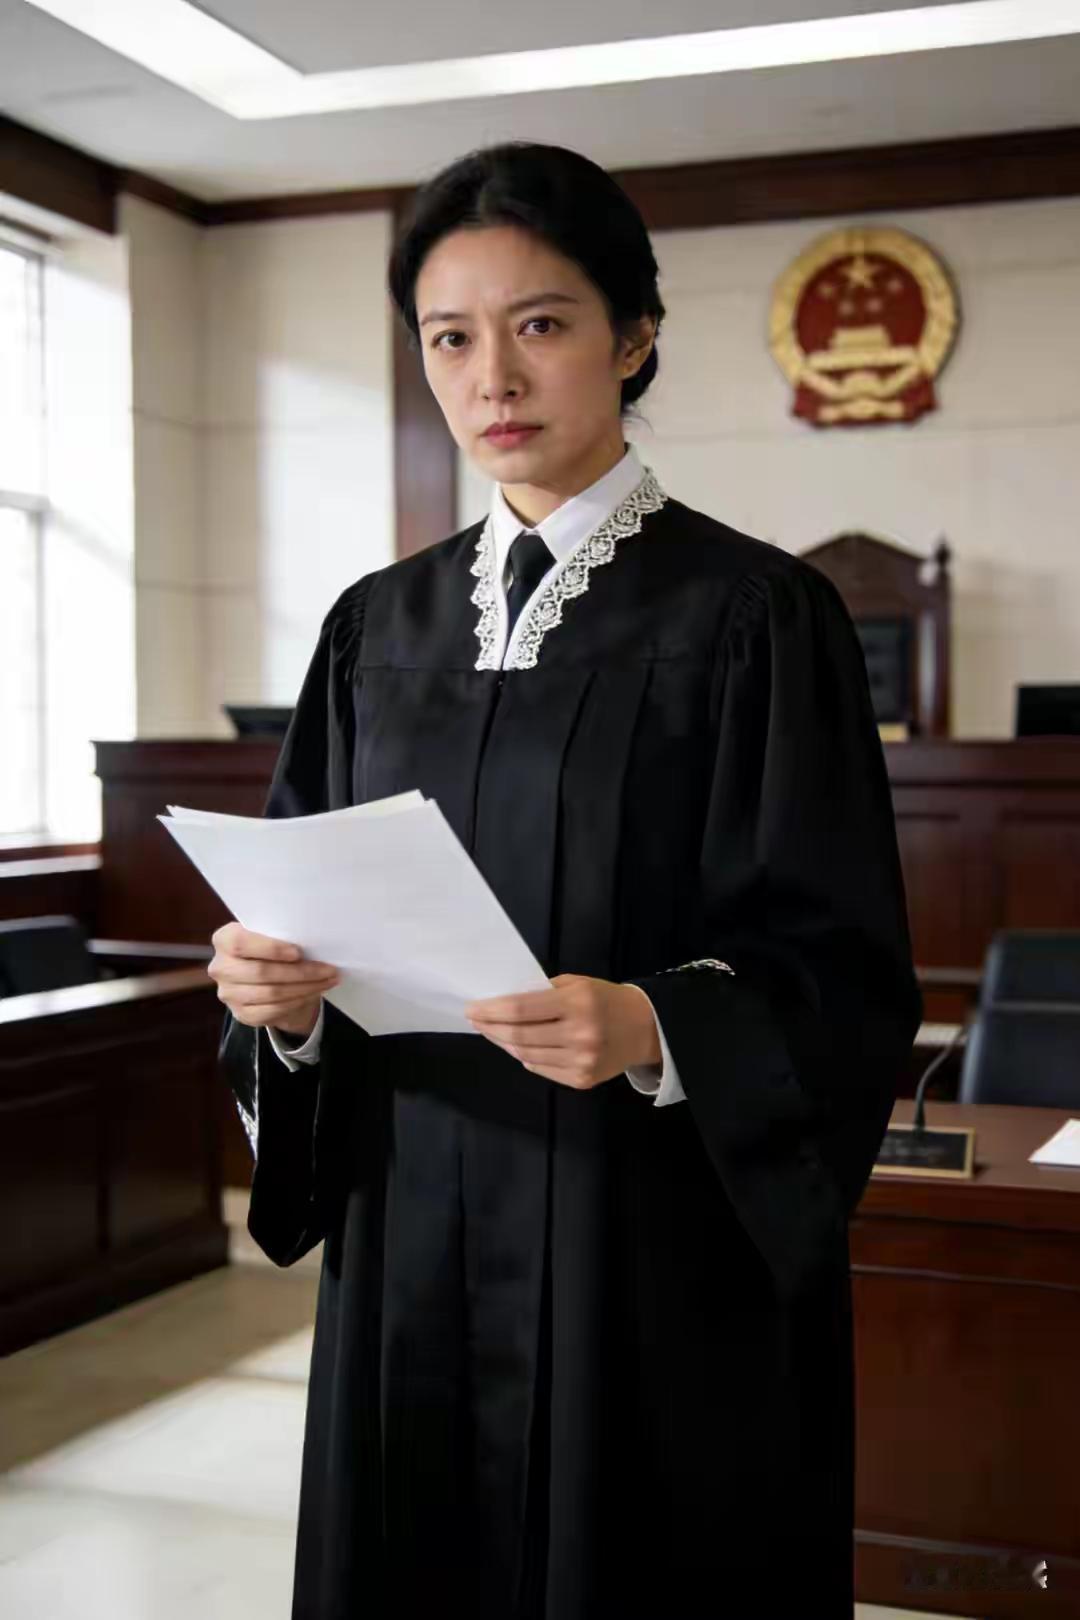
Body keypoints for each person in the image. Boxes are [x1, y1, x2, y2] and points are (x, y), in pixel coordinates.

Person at [211, 140, 922, 1620]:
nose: (493, 379)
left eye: (540, 324)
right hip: (411, 1229)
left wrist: (658, 1025)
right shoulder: (374, 633)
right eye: (449, 339)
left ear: (634, 335)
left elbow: (844, 969)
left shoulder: (756, 618)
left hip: (645, 1247)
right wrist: (280, 1002)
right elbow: (300, 908)